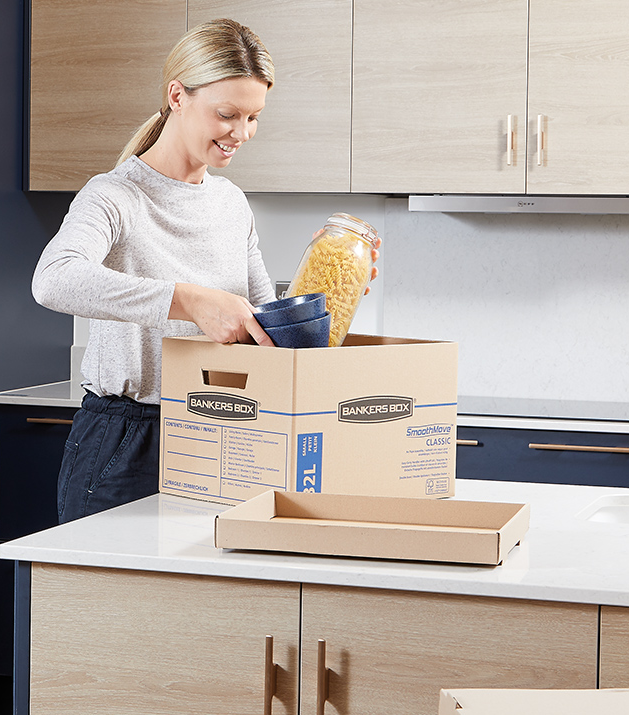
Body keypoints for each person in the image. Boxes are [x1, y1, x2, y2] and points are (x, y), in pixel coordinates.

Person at [32, 18, 379, 524]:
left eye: (254, 117)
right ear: (177, 96)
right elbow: (53, 278)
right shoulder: (113, 196)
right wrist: (189, 299)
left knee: (208, 603)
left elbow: (268, 332)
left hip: (228, 432)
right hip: (128, 441)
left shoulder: (231, 204)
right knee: (124, 603)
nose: (242, 133)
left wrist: (327, 287)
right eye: (227, 114)